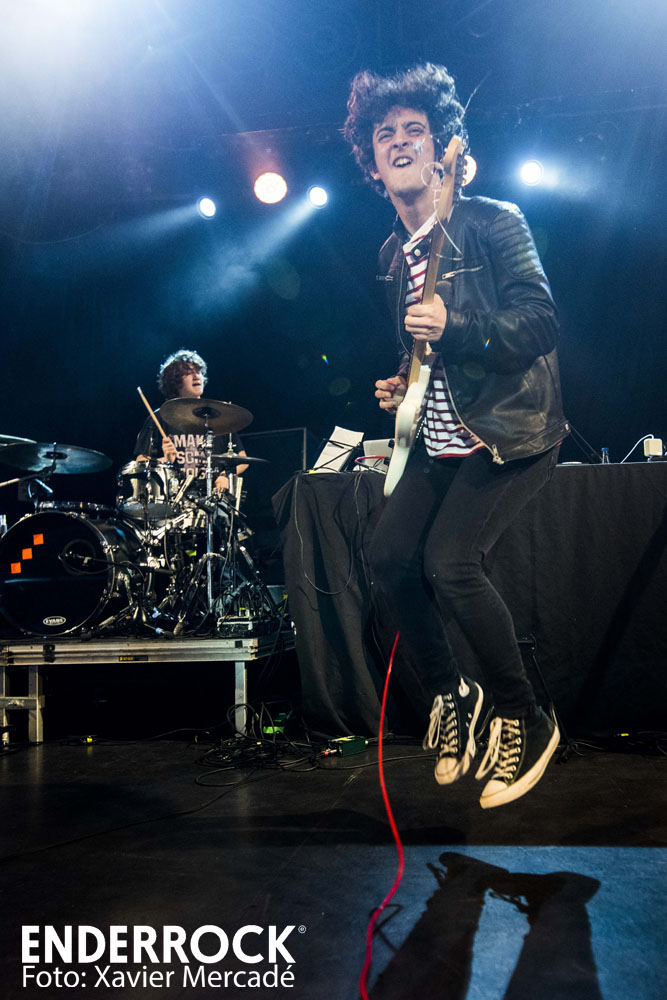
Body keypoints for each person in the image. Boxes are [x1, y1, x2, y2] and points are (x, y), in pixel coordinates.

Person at [343, 64, 569, 808]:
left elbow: (540, 323)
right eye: (386, 134)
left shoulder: (494, 221)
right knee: (386, 556)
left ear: (442, 151)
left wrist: (459, 326)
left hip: (510, 428)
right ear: (373, 165)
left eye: (415, 129)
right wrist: (399, 382)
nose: (400, 141)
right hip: (437, 436)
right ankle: (452, 694)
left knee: (450, 562)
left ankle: (525, 716)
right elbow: (418, 349)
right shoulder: (390, 256)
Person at [134, 349, 248, 492]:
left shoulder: (218, 414)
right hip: (173, 497)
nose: (196, 376)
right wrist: (165, 461)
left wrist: (225, 475)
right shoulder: (161, 417)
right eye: (188, 373)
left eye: (199, 372)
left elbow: (243, 459)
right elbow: (140, 462)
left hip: (211, 497)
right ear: (175, 381)